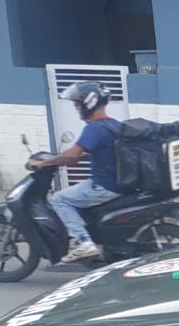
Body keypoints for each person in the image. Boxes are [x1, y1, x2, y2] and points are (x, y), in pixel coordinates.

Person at [30, 80, 122, 263]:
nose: (76, 108)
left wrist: (44, 163)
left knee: (59, 199)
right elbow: (103, 152)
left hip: (104, 186)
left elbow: (72, 155)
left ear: (90, 102)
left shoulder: (94, 128)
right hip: (119, 183)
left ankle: (84, 242)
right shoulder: (114, 125)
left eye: (78, 104)